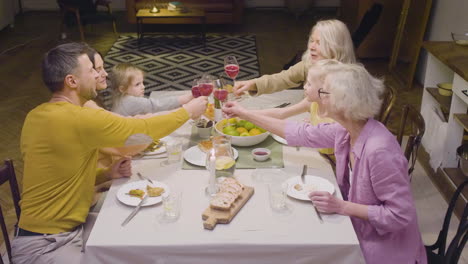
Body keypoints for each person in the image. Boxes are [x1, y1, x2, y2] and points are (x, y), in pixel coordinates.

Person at [12, 42, 207, 264]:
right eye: (92, 70)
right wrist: (187, 112)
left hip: (50, 233)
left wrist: (106, 174)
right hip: (45, 246)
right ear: (72, 81)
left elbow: (61, 176)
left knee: (136, 237)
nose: (99, 75)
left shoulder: (36, 115)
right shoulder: (79, 118)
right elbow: (139, 132)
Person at [222, 61, 427, 264]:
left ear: (344, 103)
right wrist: (245, 114)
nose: (318, 97)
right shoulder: (348, 130)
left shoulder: (379, 151)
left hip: (384, 249)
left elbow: (399, 215)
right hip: (355, 229)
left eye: (324, 93)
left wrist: (342, 206)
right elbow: (299, 133)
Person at [234, 19, 356, 155]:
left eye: (320, 43)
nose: (312, 47)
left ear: (336, 47)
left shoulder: (342, 86)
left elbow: (343, 133)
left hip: (333, 149)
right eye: (312, 41)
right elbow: (283, 80)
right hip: (317, 132)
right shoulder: (310, 64)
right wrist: (253, 85)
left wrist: (245, 114)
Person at [110, 63, 194, 116]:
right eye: (137, 84)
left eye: (142, 83)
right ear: (122, 89)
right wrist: (183, 100)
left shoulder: (119, 98)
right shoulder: (131, 101)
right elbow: (155, 105)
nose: (143, 87)